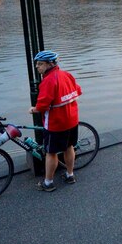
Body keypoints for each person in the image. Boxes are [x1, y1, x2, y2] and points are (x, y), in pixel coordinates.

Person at [30, 50, 82, 192]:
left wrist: (33, 109)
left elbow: (42, 105)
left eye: (40, 64)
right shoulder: (67, 75)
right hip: (71, 119)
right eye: (37, 64)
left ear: (50, 64)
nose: (37, 67)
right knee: (69, 146)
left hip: (56, 123)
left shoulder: (48, 81)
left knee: (51, 152)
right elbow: (78, 91)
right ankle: (70, 175)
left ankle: (48, 182)